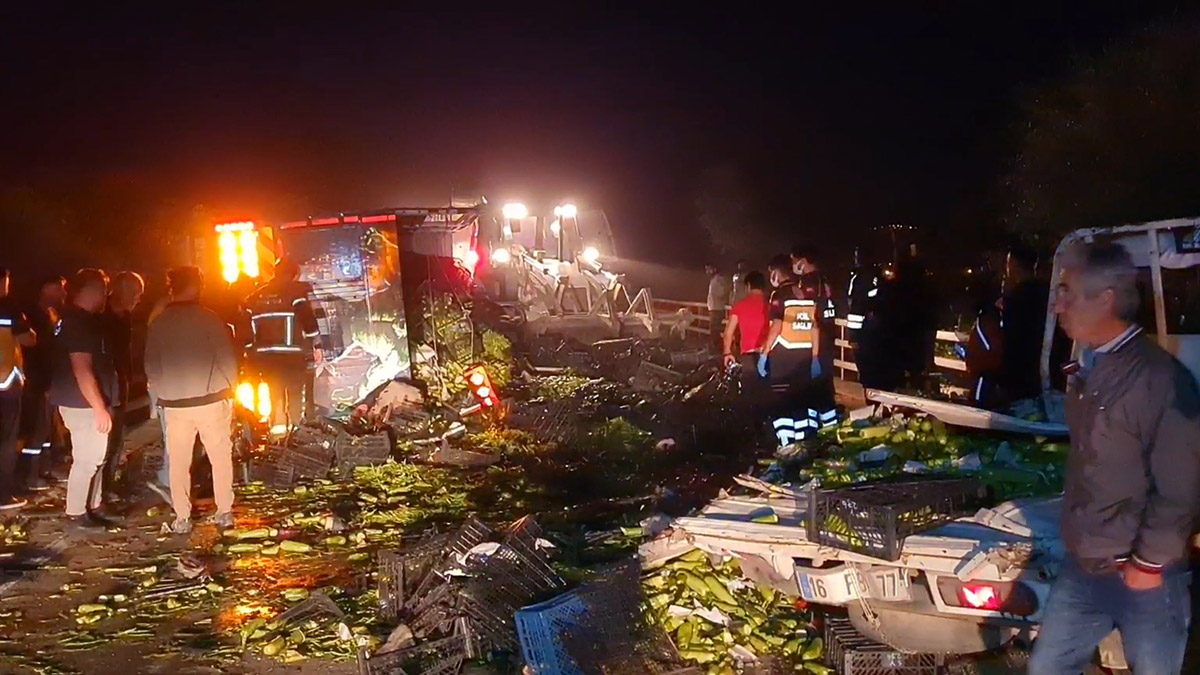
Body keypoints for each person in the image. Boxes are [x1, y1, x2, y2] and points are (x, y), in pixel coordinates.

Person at [1027, 241, 1200, 675]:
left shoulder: (1158, 378)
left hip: (1143, 577)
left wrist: (1149, 562)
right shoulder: (1092, 365)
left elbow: (1181, 482)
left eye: (1068, 293)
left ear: (1105, 299)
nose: (1058, 306)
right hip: (1085, 566)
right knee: (1046, 669)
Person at [144, 266, 238, 533]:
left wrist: (163, 392)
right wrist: (231, 390)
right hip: (211, 401)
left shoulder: (159, 324)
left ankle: (182, 517)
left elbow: (151, 365)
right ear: (196, 286)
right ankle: (224, 511)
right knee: (220, 457)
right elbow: (226, 358)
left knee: (178, 462)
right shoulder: (209, 319)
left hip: (175, 405)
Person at [51, 269, 119, 533]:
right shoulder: (79, 322)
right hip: (82, 403)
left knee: (96, 456)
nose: (106, 295)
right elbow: (82, 368)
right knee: (88, 459)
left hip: (81, 400)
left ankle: (93, 504)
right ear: (91, 290)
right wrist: (99, 407)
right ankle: (76, 512)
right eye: (103, 289)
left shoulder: (73, 319)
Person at [242, 260, 320, 434]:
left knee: (274, 394)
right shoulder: (296, 294)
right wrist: (317, 344)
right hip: (292, 358)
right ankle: (296, 434)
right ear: (293, 275)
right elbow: (308, 321)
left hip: (267, 359)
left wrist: (250, 353)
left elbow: (246, 334)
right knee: (295, 394)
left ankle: (277, 434)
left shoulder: (254, 297)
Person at [759, 260, 822, 448]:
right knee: (800, 400)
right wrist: (815, 356)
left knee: (781, 401)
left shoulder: (779, 294)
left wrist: (765, 352)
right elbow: (814, 326)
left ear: (777, 274)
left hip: (784, 355)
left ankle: (786, 444)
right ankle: (803, 443)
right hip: (804, 354)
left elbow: (777, 325)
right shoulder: (805, 292)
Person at [99, 271, 144, 503]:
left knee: (117, 436)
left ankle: (108, 484)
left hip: (120, 380)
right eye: (135, 293)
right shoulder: (101, 316)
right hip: (105, 383)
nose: (138, 299)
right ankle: (99, 491)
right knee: (104, 438)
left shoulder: (125, 316)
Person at [19, 276, 65, 490]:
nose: (63, 294)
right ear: (45, 289)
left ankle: (43, 469)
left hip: (47, 379)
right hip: (35, 380)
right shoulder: (32, 315)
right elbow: (35, 350)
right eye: (59, 289)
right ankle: (29, 475)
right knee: (36, 429)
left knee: (46, 429)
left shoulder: (50, 314)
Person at [791, 244, 839, 429]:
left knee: (814, 386)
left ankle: (816, 426)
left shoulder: (809, 281)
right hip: (827, 335)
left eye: (794, 261)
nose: (793, 265)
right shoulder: (824, 278)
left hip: (816, 338)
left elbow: (808, 312)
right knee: (824, 384)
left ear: (803, 261)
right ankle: (828, 423)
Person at [0, 269, 36, 510]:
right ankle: (3, 495)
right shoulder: (7, 307)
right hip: (5, 382)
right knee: (6, 439)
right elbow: (28, 339)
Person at [1000, 243, 1049, 401]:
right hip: (1041, 363)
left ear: (1013, 264)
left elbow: (1010, 332)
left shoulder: (1017, 296)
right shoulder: (1046, 293)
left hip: (1018, 366)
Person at [722, 271, 769, 401]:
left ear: (748, 286)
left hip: (748, 356)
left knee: (750, 395)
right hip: (768, 354)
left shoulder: (740, 306)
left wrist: (727, 352)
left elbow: (728, 333)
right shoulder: (771, 306)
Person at [964, 271, 1004, 409]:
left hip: (984, 376)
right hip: (985, 375)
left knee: (979, 408)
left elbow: (990, 349)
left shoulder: (988, 319)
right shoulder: (991, 317)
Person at [705, 265, 731, 353]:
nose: (707, 271)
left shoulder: (718, 280)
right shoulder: (714, 280)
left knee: (715, 330)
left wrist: (717, 296)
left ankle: (717, 347)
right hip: (714, 307)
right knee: (714, 330)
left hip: (717, 308)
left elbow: (722, 292)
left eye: (709, 269)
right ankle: (715, 346)